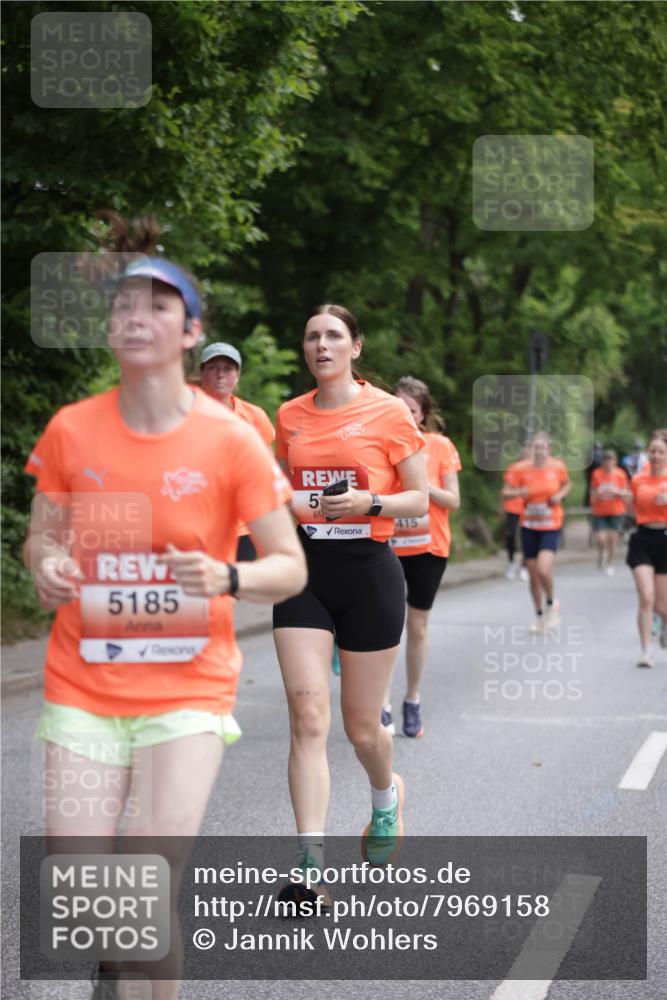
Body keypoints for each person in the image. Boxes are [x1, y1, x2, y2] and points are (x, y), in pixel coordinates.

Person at [24, 216, 306, 1000]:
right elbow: (41, 538)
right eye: (123, 307)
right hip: (82, 682)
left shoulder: (231, 440)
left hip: (187, 688)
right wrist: (47, 564)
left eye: (158, 305)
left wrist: (224, 578)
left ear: (191, 331)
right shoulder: (72, 430)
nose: (136, 317)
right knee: (86, 887)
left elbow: (287, 566)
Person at [272, 304, 428, 893]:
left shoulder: (388, 412)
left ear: (355, 347)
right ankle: (308, 869)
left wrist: (370, 504)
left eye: (334, 335)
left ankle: (386, 796)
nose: (322, 345)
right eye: (312, 336)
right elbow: (283, 490)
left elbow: (418, 498)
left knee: (362, 730)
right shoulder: (290, 416)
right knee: (308, 718)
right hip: (305, 573)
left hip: (370, 573)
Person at [382, 376, 461, 739]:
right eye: (398, 407)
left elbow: (453, 501)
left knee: (416, 626)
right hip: (387, 547)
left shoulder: (440, 446)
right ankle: (380, 702)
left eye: (411, 410)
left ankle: (412, 698)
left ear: (423, 413)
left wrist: (420, 486)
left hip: (429, 548)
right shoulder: (380, 442)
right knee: (383, 625)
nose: (404, 414)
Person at [199, 341, 275, 562]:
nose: (220, 375)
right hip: (200, 524)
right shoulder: (185, 414)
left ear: (237, 375)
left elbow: (267, 472)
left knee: (236, 590)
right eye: (213, 368)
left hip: (243, 526)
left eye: (227, 368)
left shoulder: (254, 416)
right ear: (202, 373)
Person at [503, 432, 571, 633]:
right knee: (533, 574)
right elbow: (506, 492)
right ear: (531, 449)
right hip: (529, 526)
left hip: (551, 525)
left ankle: (551, 603)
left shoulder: (557, 467)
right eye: (536, 448)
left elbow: (567, 484)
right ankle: (539, 615)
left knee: (543, 569)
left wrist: (559, 495)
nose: (539, 451)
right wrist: (518, 493)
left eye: (543, 448)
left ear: (549, 450)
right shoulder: (520, 469)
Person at [626, 429, 667, 667]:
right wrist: (626, 503)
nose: (656, 455)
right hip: (642, 538)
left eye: (661, 452)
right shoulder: (638, 479)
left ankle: (662, 625)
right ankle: (645, 650)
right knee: (646, 597)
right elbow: (632, 508)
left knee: (662, 605)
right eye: (653, 451)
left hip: (665, 537)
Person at [590, 449, 631, 575]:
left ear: (615, 461)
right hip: (600, 511)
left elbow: (626, 492)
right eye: (606, 460)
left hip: (616, 510)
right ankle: (602, 553)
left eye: (610, 460)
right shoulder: (596, 474)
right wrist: (596, 495)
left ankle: (610, 564)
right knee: (601, 539)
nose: (608, 463)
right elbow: (592, 491)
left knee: (612, 540)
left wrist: (616, 492)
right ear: (603, 462)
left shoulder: (620, 474)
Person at [501, 446, 531, 581]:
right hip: (513, 508)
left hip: (529, 509)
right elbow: (505, 492)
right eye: (523, 455)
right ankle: (511, 563)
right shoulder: (513, 469)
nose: (525, 458)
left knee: (527, 538)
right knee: (511, 535)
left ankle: (524, 566)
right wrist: (519, 492)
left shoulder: (535, 471)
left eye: (528, 456)